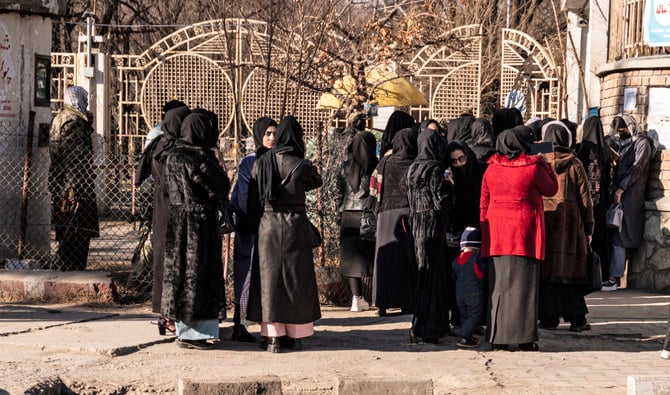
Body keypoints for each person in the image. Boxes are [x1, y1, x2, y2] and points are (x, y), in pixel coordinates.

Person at [247, 116, 322, 353]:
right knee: (295, 280)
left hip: (267, 226)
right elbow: (315, 182)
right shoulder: (301, 165)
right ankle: (294, 334)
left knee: (268, 281)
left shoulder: (261, 163)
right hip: (295, 226)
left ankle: (272, 338)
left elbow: (252, 198)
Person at [480, 126, 558, 351]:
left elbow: (483, 202)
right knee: (524, 287)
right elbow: (551, 189)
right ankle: (522, 338)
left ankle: (496, 338)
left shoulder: (491, 169)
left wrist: (487, 231)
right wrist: (546, 164)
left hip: (497, 233)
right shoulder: (533, 167)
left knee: (498, 287)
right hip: (524, 232)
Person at [161, 111, 231, 349]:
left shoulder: (173, 156)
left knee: (179, 277)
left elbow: (167, 190)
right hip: (198, 225)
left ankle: (182, 329)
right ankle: (195, 334)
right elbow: (221, 185)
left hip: (177, 221)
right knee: (198, 278)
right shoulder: (198, 157)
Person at [135, 104, 191, 335]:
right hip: (176, 208)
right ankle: (174, 315)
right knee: (178, 261)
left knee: (161, 261)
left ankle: (163, 312)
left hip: (159, 209)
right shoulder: (178, 150)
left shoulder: (157, 147)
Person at [538, 123, 594, 332]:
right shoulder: (575, 163)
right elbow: (585, 199)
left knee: (548, 275)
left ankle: (548, 319)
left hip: (545, 220)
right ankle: (577, 320)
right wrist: (588, 228)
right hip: (570, 226)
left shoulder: (540, 161)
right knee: (570, 277)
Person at [229, 116, 277, 342]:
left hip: (269, 225)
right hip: (250, 225)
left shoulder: (277, 158)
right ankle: (239, 323)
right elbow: (243, 194)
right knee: (245, 271)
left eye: (274, 133)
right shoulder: (249, 161)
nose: (271, 138)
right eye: (267, 134)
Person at [406, 129, 453, 343]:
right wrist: (451, 186)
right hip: (432, 226)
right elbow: (440, 201)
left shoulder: (413, 168)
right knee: (434, 277)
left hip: (416, 224)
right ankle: (431, 327)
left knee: (421, 276)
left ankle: (419, 325)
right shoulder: (434, 168)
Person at [48, 86, 100, 271]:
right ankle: (74, 267)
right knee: (77, 230)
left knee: (65, 227)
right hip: (74, 186)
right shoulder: (74, 122)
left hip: (60, 182)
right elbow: (75, 159)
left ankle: (67, 264)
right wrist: (75, 189)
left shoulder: (60, 117)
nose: (86, 104)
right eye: (84, 100)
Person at [369, 129, 419, 317]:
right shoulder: (415, 163)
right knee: (407, 260)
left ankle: (382, 303)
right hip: (409, 215)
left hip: (386, 215)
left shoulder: (385, 163)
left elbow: (373, 187)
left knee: (384, 259)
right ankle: (406, 302)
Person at [603, 114, 654, 291]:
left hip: (630, 196)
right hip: (620, 195)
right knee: (616, 235)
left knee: (621, 237)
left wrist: (621, 189)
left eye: (623, 130)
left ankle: (613, 278)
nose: (621, 133)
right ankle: (612, 277)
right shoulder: (626, 144)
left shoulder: (642, 143)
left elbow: (637, 169)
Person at [445, 140, 488, 329]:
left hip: (481, 232)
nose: (459, 164)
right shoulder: (453, 178)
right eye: (454, 161)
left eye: (461, 159)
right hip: (461, 236)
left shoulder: (482, 171)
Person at [336, 130, 378, 312]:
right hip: (368, 215)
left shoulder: (344, 166)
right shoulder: (375, 166)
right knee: (374, 257)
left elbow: (339, 193)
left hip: (348, 215)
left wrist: (339, 213)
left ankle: (356, 298)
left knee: (352, 259)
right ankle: (376, 298)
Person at [574, 116, 613, 280]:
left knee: (584, 236)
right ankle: (601, 275)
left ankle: (583, 274)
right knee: (600, 238)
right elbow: (609, 179)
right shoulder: (606, 151)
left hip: (583, 200)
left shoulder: (580, 148)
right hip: (601, 200)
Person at [452, 227, 488, 348]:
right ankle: (464, 337)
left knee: (465, 316)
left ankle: (467, 334)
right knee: (474, 315)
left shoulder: (456, 260)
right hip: (474, 292)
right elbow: (484, 272)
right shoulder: (477, 259)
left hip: (459, 293)